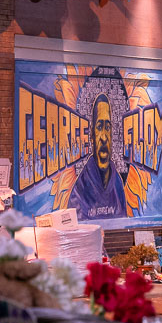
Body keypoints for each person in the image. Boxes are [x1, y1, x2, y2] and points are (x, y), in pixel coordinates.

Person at [66, 72, 130, 220]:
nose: (103, 137)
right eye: (99, 126)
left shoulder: (117, 183)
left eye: (107, 127)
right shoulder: (80, 189)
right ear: (92, 136)